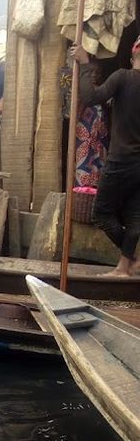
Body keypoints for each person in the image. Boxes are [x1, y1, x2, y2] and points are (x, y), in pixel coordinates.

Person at [75, 38, 140, 275]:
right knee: (134, 216)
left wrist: (83, 63)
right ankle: (125, 267)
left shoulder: (123, 77)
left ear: (133, 57)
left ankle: (131, 259)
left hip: (121, 158)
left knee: (101, 213)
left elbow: (92, 98)